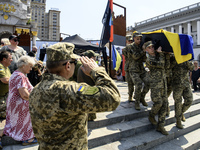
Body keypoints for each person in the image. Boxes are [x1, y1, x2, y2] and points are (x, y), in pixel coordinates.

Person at [29, 42, 120, 150]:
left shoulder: (36, 89)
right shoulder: (67, 90)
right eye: (75, 62)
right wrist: (96, 71)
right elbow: (112, 98)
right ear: (68, 65)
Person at [3, 55, 38, 146]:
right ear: (23, 65)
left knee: (14, 123)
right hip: (20, 104)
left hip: (13, 103)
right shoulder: (20, 76)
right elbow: (24, 94)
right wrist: (34, 100)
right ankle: (27, 139)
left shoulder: (15, 73)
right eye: (30, 66)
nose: (31, 69)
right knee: (27, 121)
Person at [144, 41, 170, 135]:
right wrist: (161, 54)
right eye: (149, 47)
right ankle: (151, 115)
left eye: (152, 47)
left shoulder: (159, 56)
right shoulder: (149, 59)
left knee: (165, 104)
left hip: (163, 83)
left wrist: (166, 55)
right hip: (155, 84)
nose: (152, 48)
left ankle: (160, 126)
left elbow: (166, 66)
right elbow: (160, 65)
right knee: (158, 102)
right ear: (146, 50)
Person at [127, 32, 149, 110]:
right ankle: (137, 103)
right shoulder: (130, 47)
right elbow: (135, 56)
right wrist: (143, 51)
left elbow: (144, 59)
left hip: (141, 69)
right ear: (134, 39)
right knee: (138, 84)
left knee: (148, 82)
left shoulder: (141, 47)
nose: (139, 40)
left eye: (140, 39)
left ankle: (141, 97)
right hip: (133, 70)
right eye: (137, 39)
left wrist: (146, 52)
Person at [171, 56, 194, 129]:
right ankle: (178, 120)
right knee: (178, 102)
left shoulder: (186, 56)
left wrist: (187, 60)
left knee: (189, 100)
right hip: (177, 84)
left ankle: (180, 113)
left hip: (186, 83)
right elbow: (168, 67)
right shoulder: (172, 57)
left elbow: (192, 68)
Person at [77, 50, 99, 121]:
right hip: (89, 89)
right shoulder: (91, 68)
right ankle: (90, 118)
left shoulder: (81, 66)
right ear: (91, 57)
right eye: (94, 56)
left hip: (81, 88)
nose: (95, 58)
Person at [0, 51, 12, 119]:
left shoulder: (6, 68)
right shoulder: (0, 67)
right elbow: (5, 80)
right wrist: (15, 78)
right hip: (1, 98)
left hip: (5, 96)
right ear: (4, 59)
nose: (12, 60)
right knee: (5, 114)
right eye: (10, 58)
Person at [123, 36, 134, 102]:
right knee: (130, 83)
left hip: (136, 68)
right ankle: (130, 96)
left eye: (131, 41)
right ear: (127, 42)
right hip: (129, 67)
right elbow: (128, 56)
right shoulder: (125, 49)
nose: (130, 42)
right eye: (129, 41)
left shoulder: (136, 48)